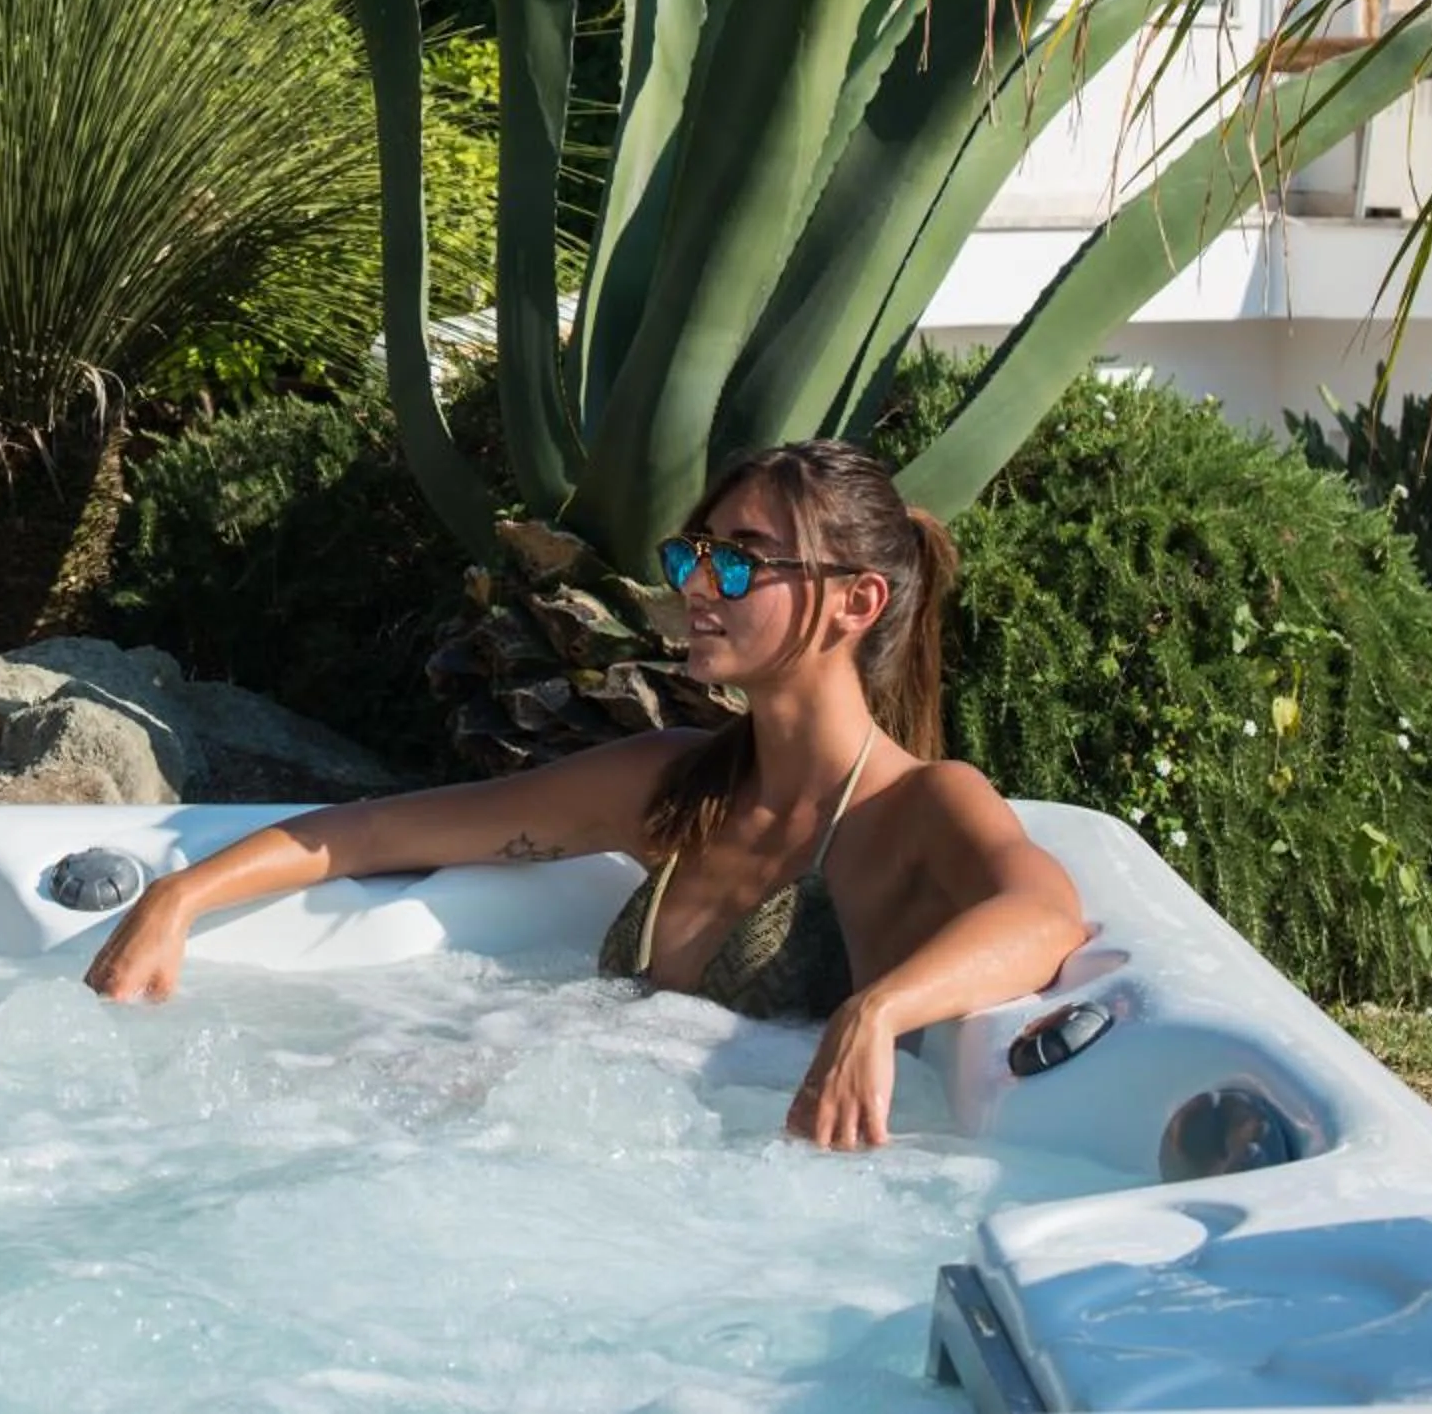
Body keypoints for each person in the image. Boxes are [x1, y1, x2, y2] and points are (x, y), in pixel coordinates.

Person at [84, 439, 1086, 1150]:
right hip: (570, 1163)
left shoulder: (914, 809)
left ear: (856, 601)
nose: (698, 584)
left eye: (737, 560)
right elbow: (383, 829)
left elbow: (1043, 913)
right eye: (692, 553)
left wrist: (876, 1011)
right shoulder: (670, 784)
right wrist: (179, 898)